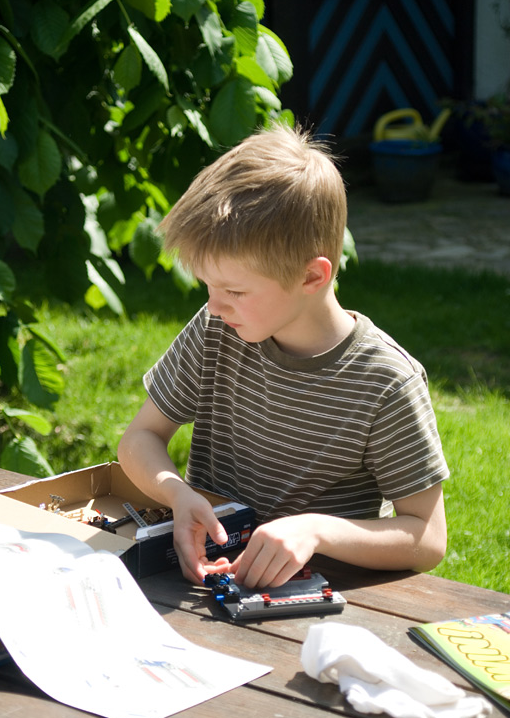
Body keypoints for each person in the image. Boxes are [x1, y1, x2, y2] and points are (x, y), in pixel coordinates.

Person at [118, 123, 449, 590]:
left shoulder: (386, 382)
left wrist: (316, 530)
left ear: (312, 277)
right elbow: (140, 438)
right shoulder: (219, 329)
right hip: (206, 581)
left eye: (234, 290)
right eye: (208, 286)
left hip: (318, 600)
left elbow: (428, 538)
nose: (214, 305)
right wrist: (177, 494)